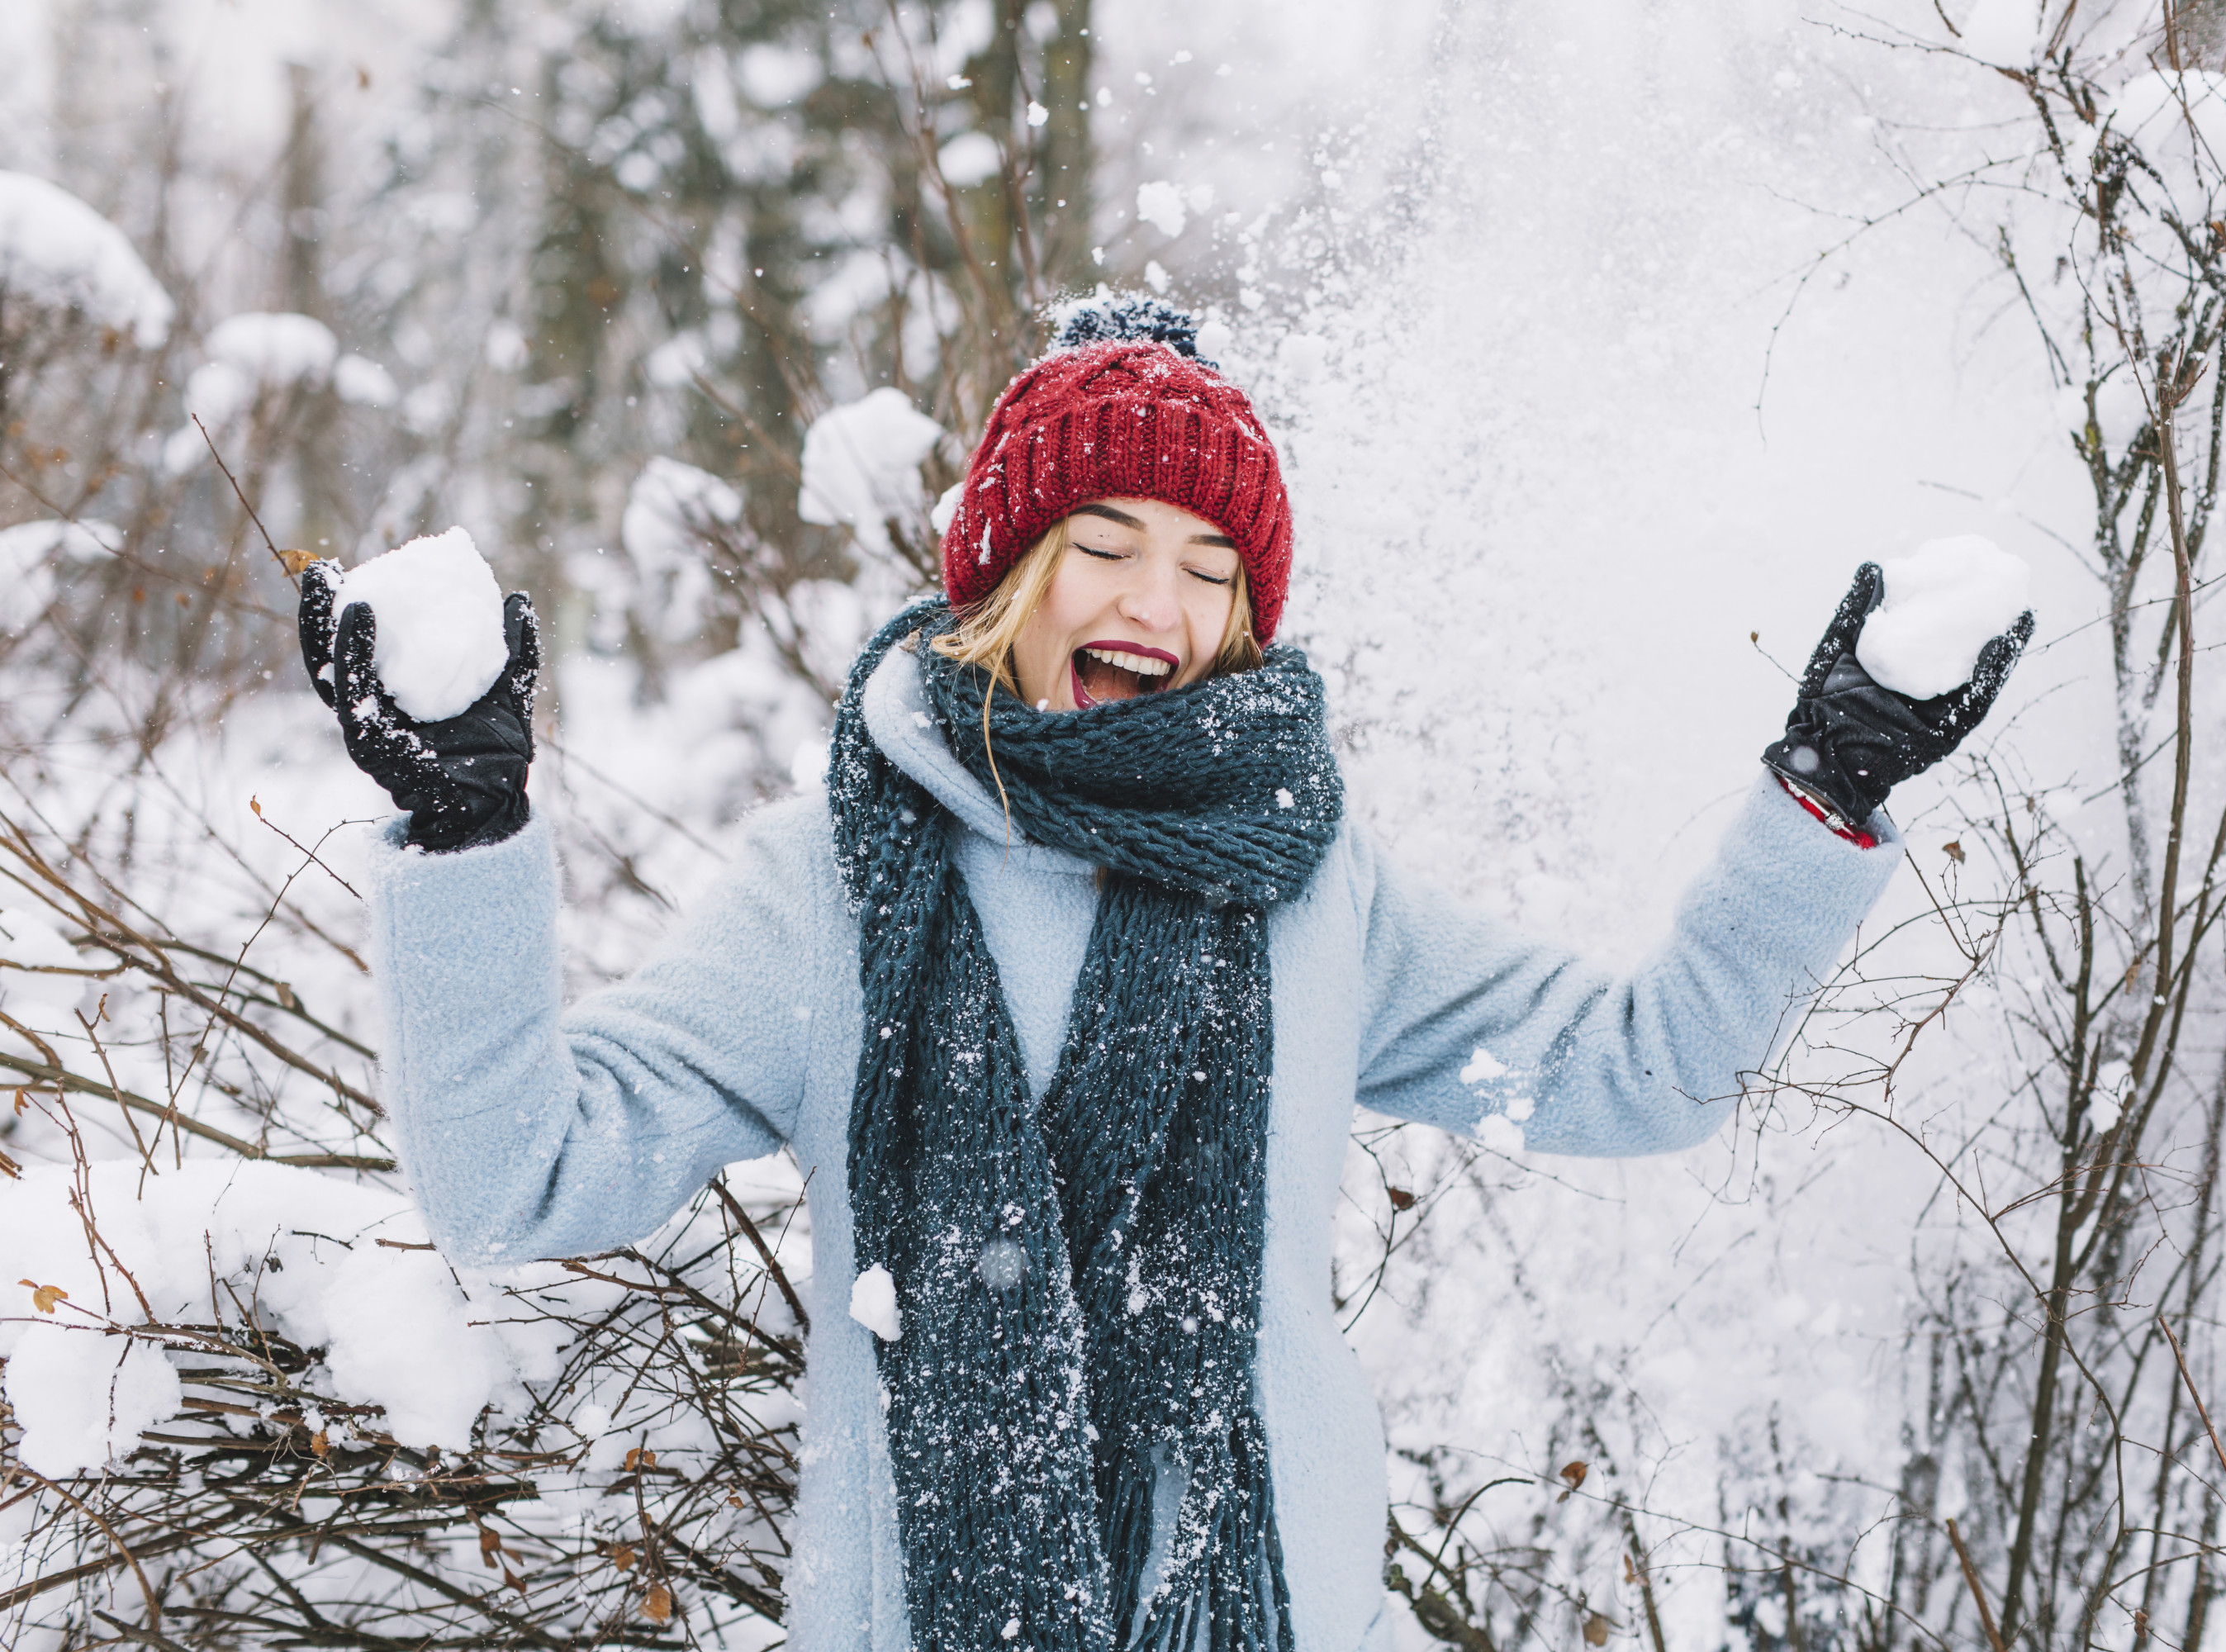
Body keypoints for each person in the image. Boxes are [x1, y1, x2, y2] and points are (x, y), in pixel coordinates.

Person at [298, 297, 2031, 1652]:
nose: (1161, 601)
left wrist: (1827, 791)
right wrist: (466, 834)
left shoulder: (1306, 883)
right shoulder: (829, 889)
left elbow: (1636, 1068)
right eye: (1108, 545)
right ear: (1007, 572)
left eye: (1214, 568)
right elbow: (515, 1177)